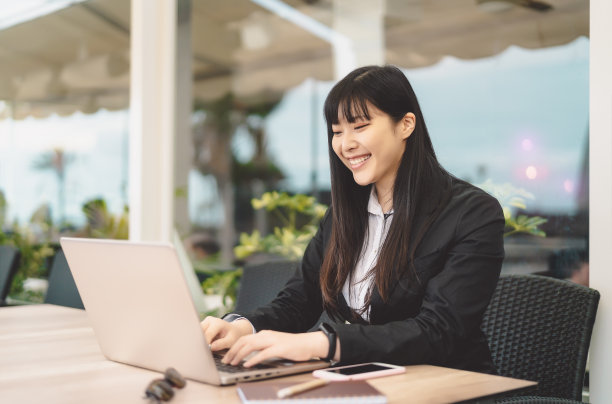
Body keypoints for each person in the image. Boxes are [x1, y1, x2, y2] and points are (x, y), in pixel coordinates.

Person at [201, 65, 505, 374]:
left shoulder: (471, 213)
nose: (345, 144)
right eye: (336, 132)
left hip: (451, 384)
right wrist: (243, 326)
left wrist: (325, 343)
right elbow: (299, 300)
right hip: (369, 379)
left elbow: (438, 331)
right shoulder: (344, 214)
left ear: (406, 125)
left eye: (359, 126)